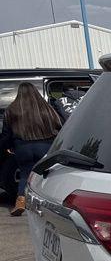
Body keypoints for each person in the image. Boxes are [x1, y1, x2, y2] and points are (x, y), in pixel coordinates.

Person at [0, 83, 63, 216]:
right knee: (45, 175)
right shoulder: (46, 109)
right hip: (45, 146)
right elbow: (59, 126)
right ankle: (48, 203)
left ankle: (21, 201)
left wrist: (5, 147)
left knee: (25, 174)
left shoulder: (12, 110)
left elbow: (6, 135)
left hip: (23, 147)